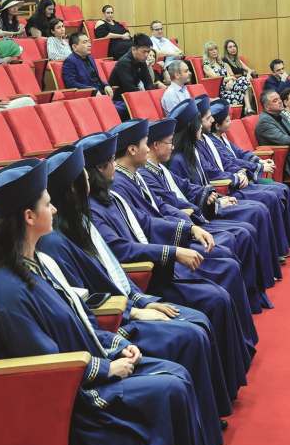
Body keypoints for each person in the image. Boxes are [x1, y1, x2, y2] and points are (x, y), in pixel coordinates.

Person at [0, 158, 236, 445]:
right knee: (171, 388)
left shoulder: (39, 261)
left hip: (93, 363)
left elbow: (79, 319)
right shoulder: (7, 293)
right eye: (47, 203)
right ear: (28, 217)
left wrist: (115, 344)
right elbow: (48, 363)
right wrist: (107, 367)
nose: (53, 208)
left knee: (177, 375)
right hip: (75, 399)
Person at [37, 144, 233, 442]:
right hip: (111, 324)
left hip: (125, 307)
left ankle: (204, 418)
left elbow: (111, 273)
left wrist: (140, 301)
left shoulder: (81, 220)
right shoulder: (54, 243)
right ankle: (200, 428)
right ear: (77, 186)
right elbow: (83, 302)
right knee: (190, 333)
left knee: (197, 323)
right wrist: (135, 311)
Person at [79, 131, 260, 396]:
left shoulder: (109, 195)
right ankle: (223, 389)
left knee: (220, 283)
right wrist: (170, 255)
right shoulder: (94, 207)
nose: (116, 165)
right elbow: (120, 250)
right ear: (99, 168)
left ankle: (234, 366)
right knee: (212, 302)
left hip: (150, 272)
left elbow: (146, 222)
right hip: (146, 277)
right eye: (111, 161)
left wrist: (188, 231)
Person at [108, 118, 273, 311]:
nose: (147, 149)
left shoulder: (133, 174)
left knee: (237, 240)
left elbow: (163, 203)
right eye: (145, 143)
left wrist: (199, 210)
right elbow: (145, 223)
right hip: (161, 250)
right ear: (132, 149)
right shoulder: (121, 182)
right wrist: (187, 228)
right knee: (228, 255)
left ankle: (246, 307)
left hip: (173, 232)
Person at [141, 117, 287, 281]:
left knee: (256, 213)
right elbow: (172, 202)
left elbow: (186, 186)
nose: (173, 146)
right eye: (169, 142)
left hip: (198, 210)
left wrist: (210, 192)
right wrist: (214, 202)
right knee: (245, 227)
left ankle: (266, 271)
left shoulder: (162, 166)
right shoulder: (166, 165)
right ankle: (261, 278)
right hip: (187, 221)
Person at [174, 96, 290, 253]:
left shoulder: (204, 142)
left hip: (221, 191)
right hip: (220, 194)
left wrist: (251, 166)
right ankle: (276, 250)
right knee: (263, 203)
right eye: (208, 118)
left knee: (276, 193)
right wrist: (224, 191)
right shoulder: (183, 156)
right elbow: (199, 184)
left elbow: (232, 158)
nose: (211, 120)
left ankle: (281, 245)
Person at [202, 41, 254, 114]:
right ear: (207, 52)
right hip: (222, 90)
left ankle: (248, 107)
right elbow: (218, 80)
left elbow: (230, 76)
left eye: (215, 49)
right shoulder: (206, 65)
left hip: (229, 86)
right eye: (211, 50)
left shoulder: (221, 63)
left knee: (244, 79)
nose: (214, 51)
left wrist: (230, 82)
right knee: (243, 86)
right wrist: (231, 79)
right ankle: (247, 109)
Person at [62, 32, 113, 97]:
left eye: (89, 42)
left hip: (103, 95)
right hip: (90, 98)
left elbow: (96, 79)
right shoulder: (70, 61)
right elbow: (71, 84)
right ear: (75, 47)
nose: (89, 45)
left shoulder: (91, 59)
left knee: (126, 105)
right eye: (85, 42)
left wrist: (106, 85)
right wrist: (93, 90)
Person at [107, 33, 155, 99]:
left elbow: (148, 82)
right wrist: (144, 95)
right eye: (143, 52)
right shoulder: (124, 63)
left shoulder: (141, 61)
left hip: (133, 96)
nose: (146, 55)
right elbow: (129, 88)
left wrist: (151, 96)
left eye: (148, 52)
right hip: (120, 99)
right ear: (134, 50)